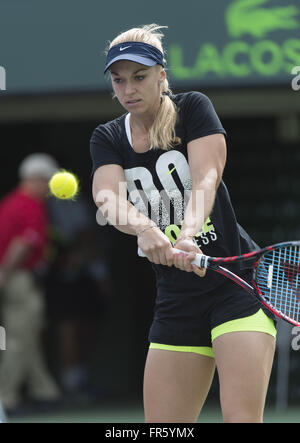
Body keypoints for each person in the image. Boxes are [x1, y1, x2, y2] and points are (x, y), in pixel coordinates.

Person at [90, 24, 277, 423]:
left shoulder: (193, 107)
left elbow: (207, 176)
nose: (128, 89)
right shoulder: (107, 138)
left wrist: (189, 234)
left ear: (161, 75)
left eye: (139, 77)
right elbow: (108, 197)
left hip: (235, 285)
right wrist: (143, 227)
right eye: (119, 80)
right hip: (176, 300)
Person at [0, 153, 61, 412]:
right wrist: (4, 274)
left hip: (16, 278)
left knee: (28, 335)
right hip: (18, 278)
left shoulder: (11, 202)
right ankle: (6, 398)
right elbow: (22, 244)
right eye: (47, 181)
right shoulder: (29, 205)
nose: (49, 188)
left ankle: (45, 392)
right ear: (35, 179)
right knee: (17, 339)